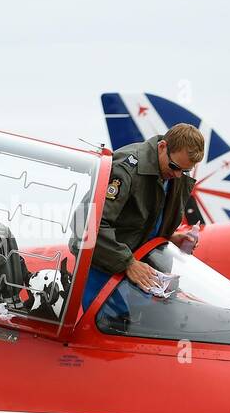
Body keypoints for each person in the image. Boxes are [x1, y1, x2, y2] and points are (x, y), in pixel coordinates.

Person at [86, 124, 204, 302]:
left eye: (185, 171)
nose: (179, 175)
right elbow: (85, 224)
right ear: (162, 147)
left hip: (141, 274)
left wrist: (170, 238)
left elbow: (141, 222)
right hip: (103, 273)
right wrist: (128, 263)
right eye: (174, 167)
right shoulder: (125, 169)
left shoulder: (173, 173)